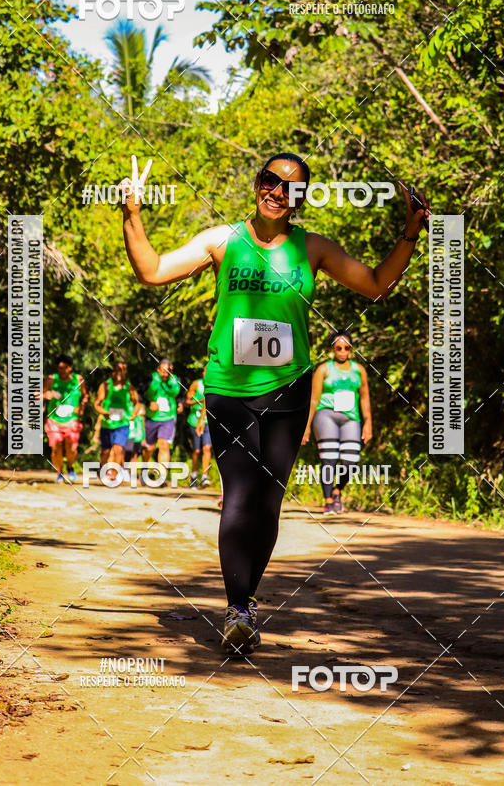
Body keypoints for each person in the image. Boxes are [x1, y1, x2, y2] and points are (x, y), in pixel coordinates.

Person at [121, 151, 428, 655]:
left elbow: (376, 285)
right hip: (230, 389)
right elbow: (152, 271)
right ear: (257, 182)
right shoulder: (223, 241)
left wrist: (410, 232)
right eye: (271, 180)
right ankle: (238, 608)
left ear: (301, 198)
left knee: (269, 500)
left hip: (289, 390)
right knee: (240, 489)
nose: (279, 192)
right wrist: (133, 215)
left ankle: (248, 597)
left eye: (292, 188)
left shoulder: (313, 249)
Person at [303, 330, 372, 513]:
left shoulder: (359, 370)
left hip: (350, 417)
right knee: (330, 459)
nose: (342, 350)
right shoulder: (324, 369)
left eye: (346, 347)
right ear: (332, 349)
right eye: (338, 347)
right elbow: (313, 399)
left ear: (351, 349)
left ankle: (336, 491)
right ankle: (328, 501)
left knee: (351, 461)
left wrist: (368, 423)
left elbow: (364, 398)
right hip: (326, 415)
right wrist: (307, 427)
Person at [43, 355, 89, 483]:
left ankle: (70, 466)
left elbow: (86, 395)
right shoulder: (51, 379)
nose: (61, 370)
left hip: (72, 419)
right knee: (56, 446)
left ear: (70, 368)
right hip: (54, 419)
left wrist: (83, 405)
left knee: (72, 448)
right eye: (59, 368)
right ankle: (59, 472)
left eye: (63, 368)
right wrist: (48, 394)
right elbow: (38, 394)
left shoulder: (78, 379)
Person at [93, 360, 139, 480]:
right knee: (105, 452)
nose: (119, 373)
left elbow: (137, 403)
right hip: (107, 424)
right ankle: (102, 466)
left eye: (122, 370)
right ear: (113, 371)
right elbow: (97, 404)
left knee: (119, 448)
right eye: (117, 370)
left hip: (122, 423)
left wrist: (134, 414)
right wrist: (104, 412)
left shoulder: (129, 388)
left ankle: (114, 474)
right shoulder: (106, 386)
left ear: (125, 372)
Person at [142, 359, 181, 477]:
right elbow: (139, 394)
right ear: (158, 370)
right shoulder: (150, 378)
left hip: (168, 417)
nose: (165, 374)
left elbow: (179, 394)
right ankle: (144, 468)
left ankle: (161, 476)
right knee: (149, 448)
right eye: (163, 372)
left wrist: (181, 404)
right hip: (152, 417)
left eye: (167, 372)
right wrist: (148, 403)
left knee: (164, 444)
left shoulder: (175, 380)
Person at [185, 367, 212, 489]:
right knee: (196, 450)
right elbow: (187, 402)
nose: (206, 373)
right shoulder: (197, 384)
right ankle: (194, 475)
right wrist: (200, 401)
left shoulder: (215, 386)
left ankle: (205, 476)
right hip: (195, 421)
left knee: (207, 448)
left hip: (208, 422)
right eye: (205, 371)